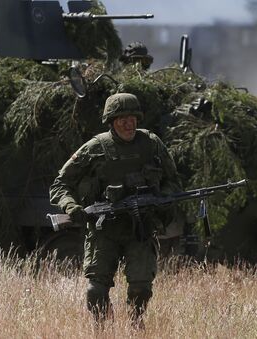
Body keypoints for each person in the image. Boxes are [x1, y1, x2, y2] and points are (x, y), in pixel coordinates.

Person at [49, 93, 181, 329]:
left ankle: (135, 326)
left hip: (140, 229)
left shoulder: (152, 144)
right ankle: (102, 329)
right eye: (122, 119)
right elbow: (60, 185)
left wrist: (162, 198)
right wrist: (72, 207)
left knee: (141, 287)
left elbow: (173, 181)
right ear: (111, 121)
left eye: (132, 118)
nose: (128, 123)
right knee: (96, 291)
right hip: (104, 230)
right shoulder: (95, 148)